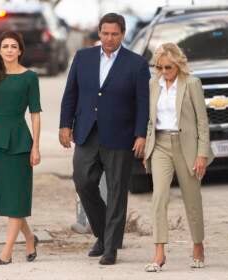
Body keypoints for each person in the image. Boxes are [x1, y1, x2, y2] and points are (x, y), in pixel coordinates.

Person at [59, 13, 150, 265]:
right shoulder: (83, 57)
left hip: (120, 135)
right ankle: (102, 233)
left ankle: (110, 247)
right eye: (105, 33)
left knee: (117, 191)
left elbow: (143, 103)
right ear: (98, 33)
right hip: (87, 132)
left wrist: (141, 134)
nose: (109, 38)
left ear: (122, 34)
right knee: (83, 181)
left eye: (115, 34)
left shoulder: (137, 63)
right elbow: (71, 93)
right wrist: (65, 125)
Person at [143, 43, 213, 272]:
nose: (164, 71)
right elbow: (150, 118)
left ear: (179, 65)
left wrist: (202, 153)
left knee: (192, 199)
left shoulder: (191, 83)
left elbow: (202, 122)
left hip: (186, 145)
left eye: (168, 67)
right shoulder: (154, 83)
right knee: (159, 197)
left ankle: (198, 245)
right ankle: (159, 252)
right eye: (160, 67)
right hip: (161, 145)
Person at [0, 31, 42, 265]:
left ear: (20, 50)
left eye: (14, 46)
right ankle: (30, 238)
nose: (10, 50)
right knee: (7, 199)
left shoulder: (30, 78)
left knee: (17, 197)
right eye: (5, 46)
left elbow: (35, 114)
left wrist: (36, 146)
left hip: (19, 142)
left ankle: (7, 251)